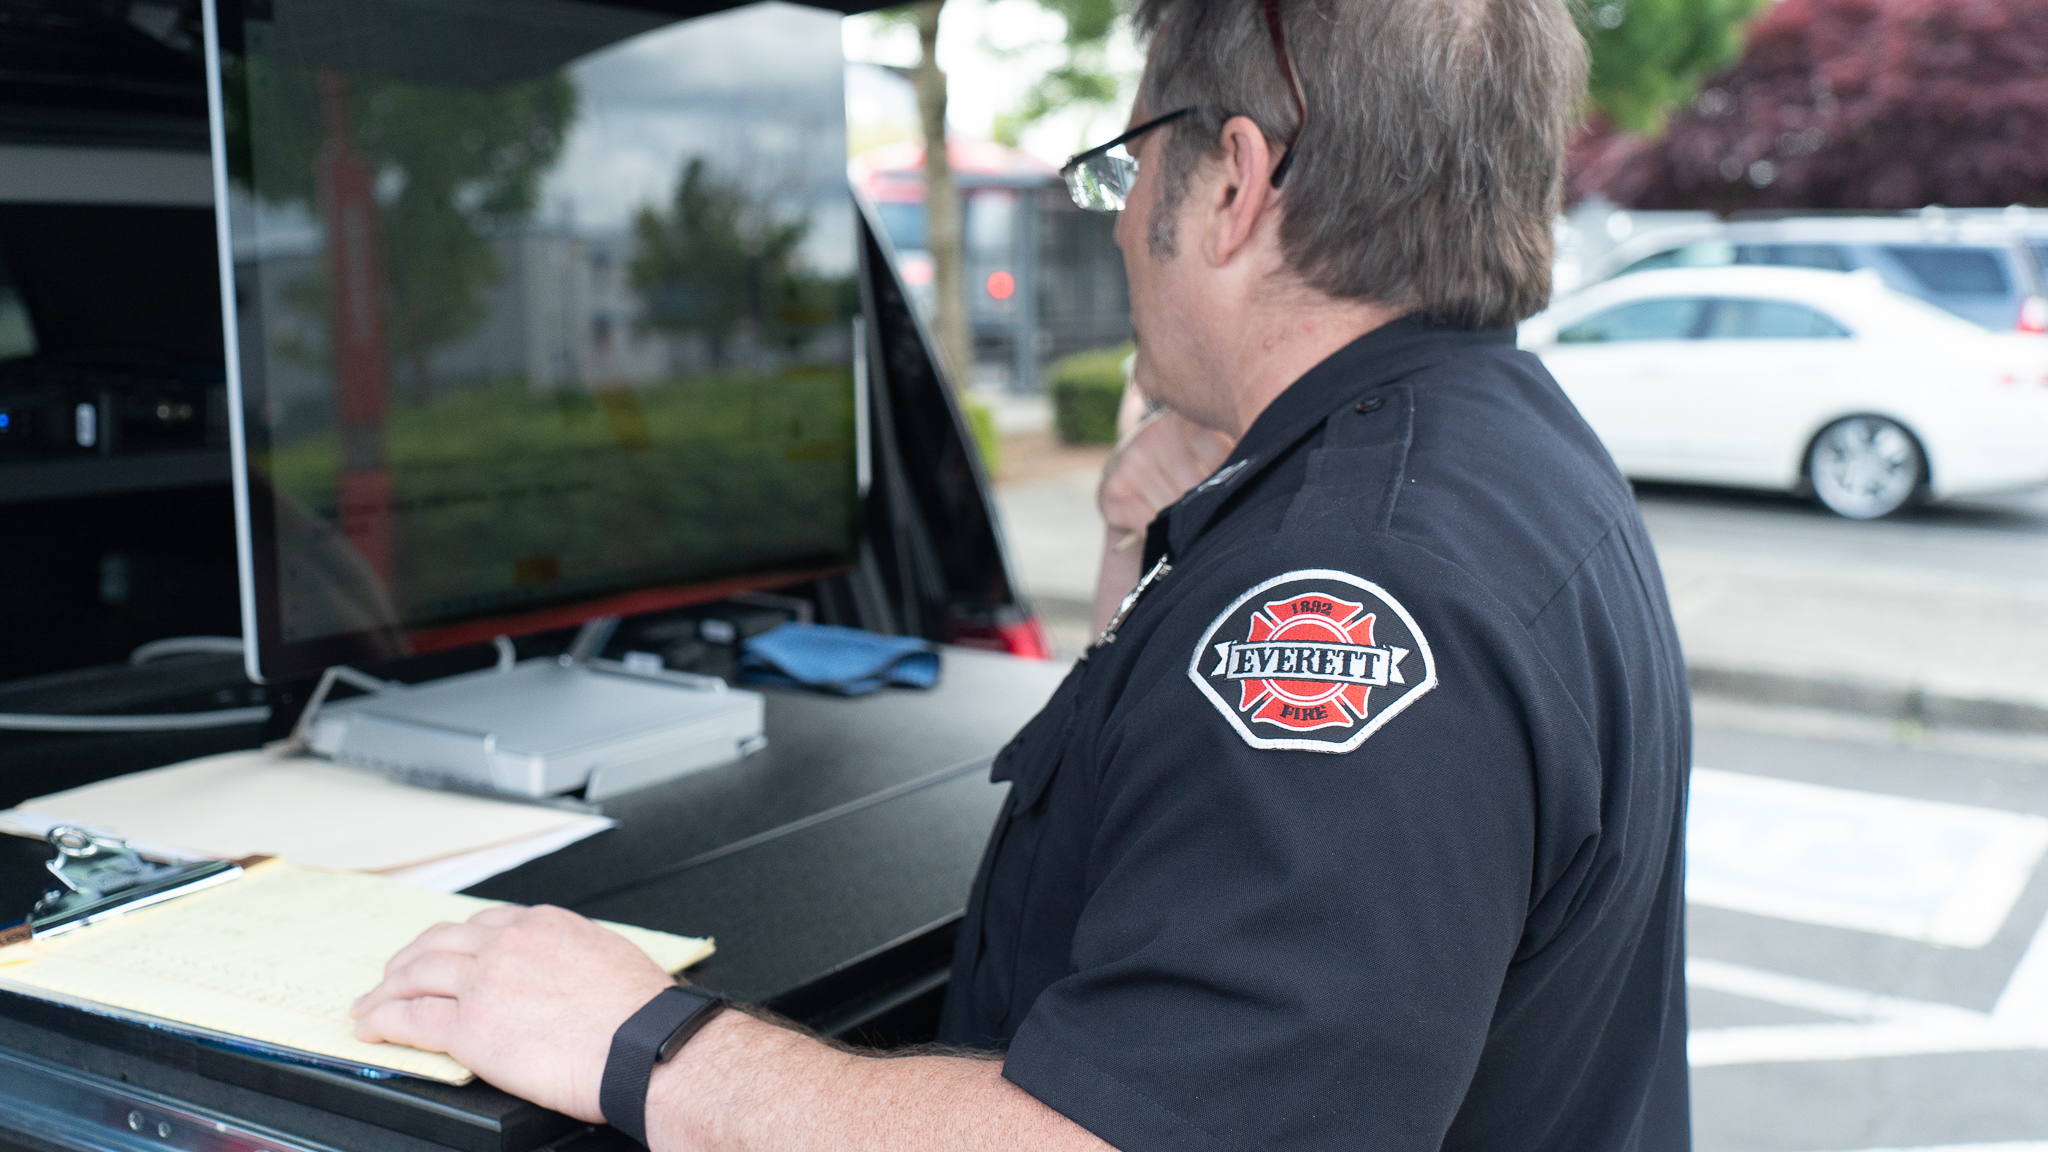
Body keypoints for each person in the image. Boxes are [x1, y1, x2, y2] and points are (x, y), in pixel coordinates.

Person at [350, 0, 1693, 1147]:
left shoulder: (1350, 586)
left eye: (1127, 174)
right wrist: (1152, 553)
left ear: (1232, 184)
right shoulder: (1500, 464)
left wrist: (643, 1042)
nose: (1117, 232)